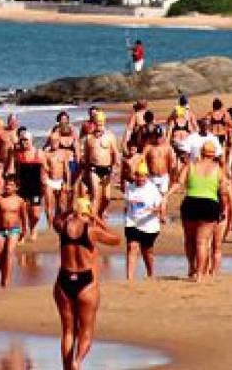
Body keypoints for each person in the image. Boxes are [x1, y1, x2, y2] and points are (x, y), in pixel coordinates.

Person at [52, 197, 121, 370]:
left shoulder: (62, 227)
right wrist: (98, 220)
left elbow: (56, 219)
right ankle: (77, 361)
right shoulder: (91, 230)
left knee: (68, 331)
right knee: (86, 330)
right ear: (88, 212)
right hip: (86, 282)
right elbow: (116, 239)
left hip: (64, 279)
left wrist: (69, 211)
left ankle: (67, 367)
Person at [166, 139, 227, 282]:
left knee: (189, 239)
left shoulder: (190, 166)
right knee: (202, 242)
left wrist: (166, 196)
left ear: (201, 153)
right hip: (210, 204)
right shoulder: (218, 169)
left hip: (191, 203)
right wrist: (223, 209)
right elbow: (223, 192)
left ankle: (192, 267)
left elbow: (179, 183)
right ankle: (199, 274)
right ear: (213, 155)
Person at [123, 161, 163, 281]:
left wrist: (153, 210)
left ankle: (151, 273)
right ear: (135, 175)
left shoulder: (152, 189)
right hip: (132, 222)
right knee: (132, 246)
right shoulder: (129, 187)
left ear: (146, 176)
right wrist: (126, 218)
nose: (140, 179)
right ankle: (129, 279)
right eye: (138, 176)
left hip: (149, 225)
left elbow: (160, 207)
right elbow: (127, 205)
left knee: (147, 251)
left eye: (143, 176)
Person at [82, 113, 120, 219]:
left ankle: (101, 212)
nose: (99, 125)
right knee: (95, 194)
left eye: (101, 123)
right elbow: (86, 156)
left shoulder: (110, 136)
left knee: (106, 197)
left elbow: (115, 152)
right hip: (94, 169)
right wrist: (85, 173)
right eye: (97, 123)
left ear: (104, 123)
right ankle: (93, 218)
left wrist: (116, 167)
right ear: (94, 123)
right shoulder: (89, 138)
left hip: (107, 169)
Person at [12, 128, 47, 240]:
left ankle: (33, 227)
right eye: (22, 140)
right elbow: (15, 169)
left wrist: (45, 182)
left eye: (26, 140)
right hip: (22, 186)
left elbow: (45, 169)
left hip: (36, 187)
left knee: (35, 214)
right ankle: (22, 233)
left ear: (32, 140)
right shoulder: (18, 154)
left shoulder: (39, 153)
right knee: (20, 212)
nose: (24, 142)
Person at [0, 177, 28, 288]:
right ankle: (3, 274)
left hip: (14, 230)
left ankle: (6, 280)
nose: (7, 187)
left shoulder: (20, 200)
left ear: (16, 188)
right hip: (1, 230)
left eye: (10, 185)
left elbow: (24, 217)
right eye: (6, 184)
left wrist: (24, 230)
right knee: (0, 255)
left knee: (9, 253)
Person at [141, 125, 174, 196]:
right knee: (152, 196)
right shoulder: (148, 148)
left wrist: (172, 177)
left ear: (162, 136)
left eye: (159, 136)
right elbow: (142, 161)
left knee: (163, 197)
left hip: (164, 176)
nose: (158, 139)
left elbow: (171, 163)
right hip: (152, 177)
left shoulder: (167, 147)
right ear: (153, 136)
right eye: (156, 136)